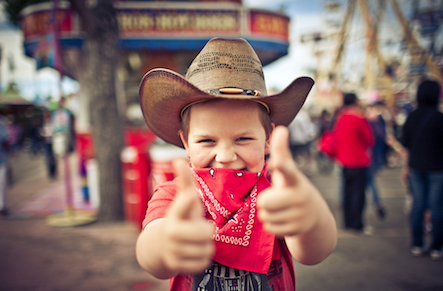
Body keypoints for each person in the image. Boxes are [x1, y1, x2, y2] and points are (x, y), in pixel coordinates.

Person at [136, 38, 337, 290]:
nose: (226, 156)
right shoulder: (177, 196)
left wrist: (312, 219)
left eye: (243, 139)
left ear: (268, 140)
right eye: (207, 140)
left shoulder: (279, 196)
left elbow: (313, 253)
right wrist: (166, 243)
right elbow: (152, 257)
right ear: (186, 143)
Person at [401, 79, 443, 261]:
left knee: (417, 205)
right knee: (437, 207)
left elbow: (406, 145)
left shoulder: (412, 116)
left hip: (415, 167)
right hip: (437, 169)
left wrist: (405, 167)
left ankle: (417, 243)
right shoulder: (440, 118)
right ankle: (436, 246)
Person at [333, 93, 373, 233]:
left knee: (347, 193)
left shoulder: (340, 118)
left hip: (344, 161)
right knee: (358, 194)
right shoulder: (359, 118)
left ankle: (347, 222)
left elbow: (336, 138)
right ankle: (357, 224)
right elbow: (368, 140)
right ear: (355, 102)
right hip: (359, 161)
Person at [365, 103, 387, 220]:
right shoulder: (373, 121)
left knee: (368, 182)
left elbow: (380, 136)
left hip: (370, 158)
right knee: (369, 182)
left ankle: (377, 204)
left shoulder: (375, 121)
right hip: (369, 158)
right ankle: (377, 204)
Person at [287, 108, 318, 175]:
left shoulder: (292, 116)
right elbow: (307, 129)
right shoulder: (303, 116)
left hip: (294, 140)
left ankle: (297, 170)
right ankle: (302, 171)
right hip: (303, 140)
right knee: (304, 156)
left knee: (295, 157)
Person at [40, 109, 57, 180]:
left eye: (47, 115)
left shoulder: (52, 122)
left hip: (52, 141)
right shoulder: (42, 123)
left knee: (53, 157)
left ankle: (54, 171)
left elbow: (55, 130)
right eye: (45, 115)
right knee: (48, 158)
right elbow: (40, 132)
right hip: (46, 141)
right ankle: (50, 173)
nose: (46, 117)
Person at [0, 115, 9, 216]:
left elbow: (5, 141)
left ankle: (2, 206)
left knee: (2, 182)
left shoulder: (1, 122)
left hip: (1, 158)